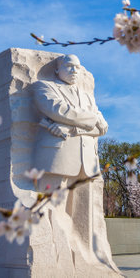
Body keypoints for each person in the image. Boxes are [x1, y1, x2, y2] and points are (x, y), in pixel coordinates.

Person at [32, 54, 114, 260]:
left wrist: (72, 128)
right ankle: (52, 256)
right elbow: (59, 110)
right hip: (58, 157)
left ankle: (88, 259)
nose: (74, 71)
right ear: (57, 70)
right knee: (50, 210)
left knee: (86, 218)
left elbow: (102, 129)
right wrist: (92, 119)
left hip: (87, 161)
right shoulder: (44, 87)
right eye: (69, 67)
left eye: (77, 67)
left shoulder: (87, 96)